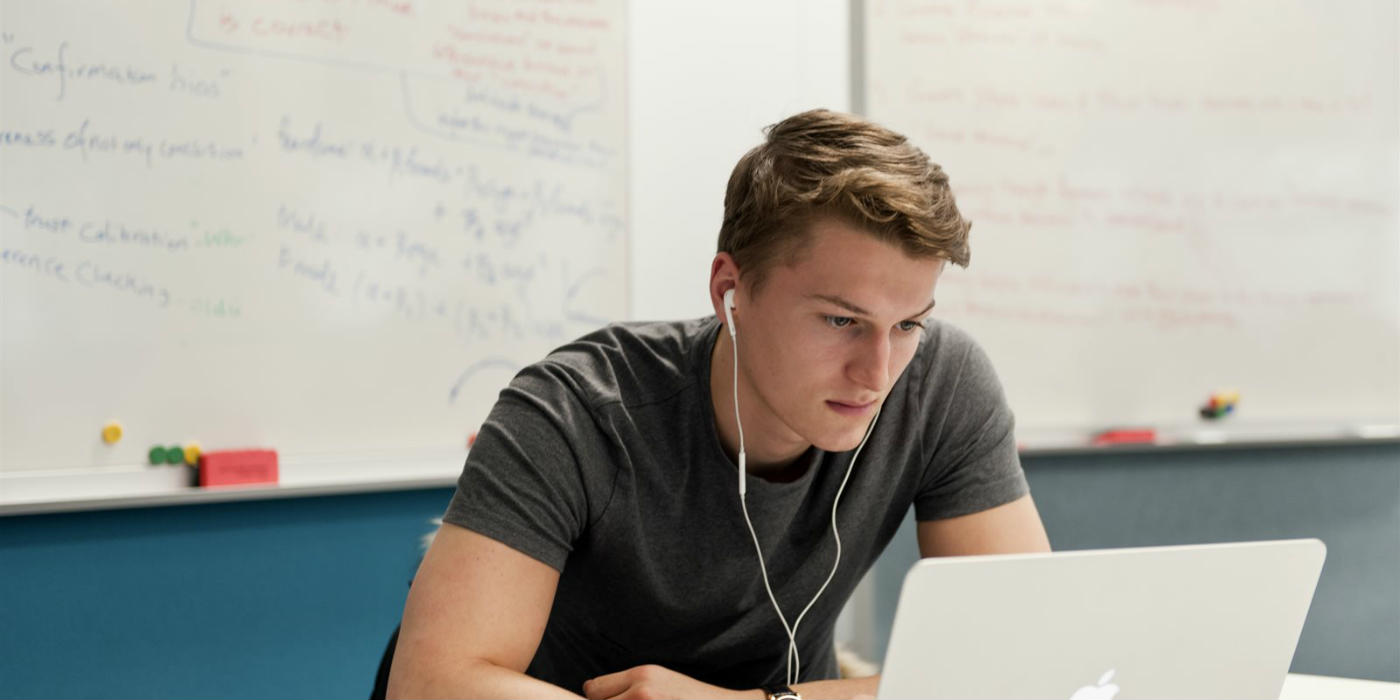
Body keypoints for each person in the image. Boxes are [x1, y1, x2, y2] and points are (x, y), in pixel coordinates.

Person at [387, 109, 1051, 700]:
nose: (877, 373)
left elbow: (1025, 658)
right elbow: (434, 684)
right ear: (731, 290)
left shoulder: (943, 383)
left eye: (909, 324)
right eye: (841, 322)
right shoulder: (574, 410)